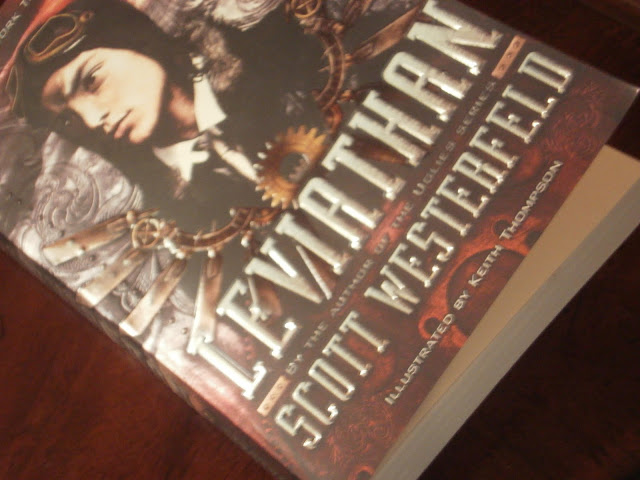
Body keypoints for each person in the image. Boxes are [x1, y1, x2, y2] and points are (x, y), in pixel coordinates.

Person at [7, 0, 325, 234]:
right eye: (66, 119)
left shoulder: (284, 50)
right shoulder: (165, 216)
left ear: (137, 40)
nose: (92, 120)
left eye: (92, 80)